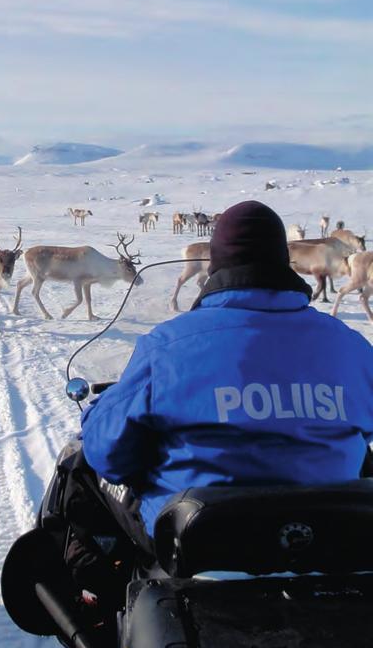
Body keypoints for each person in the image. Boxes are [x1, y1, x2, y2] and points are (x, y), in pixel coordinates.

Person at [80, 199, 373, 540]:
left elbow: (106, 453)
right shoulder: (351, 347)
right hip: (329, 537)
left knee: (81, 471)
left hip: (200, 543)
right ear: (283, 261)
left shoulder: (169, 346)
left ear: (216, 263)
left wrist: (99, 413)